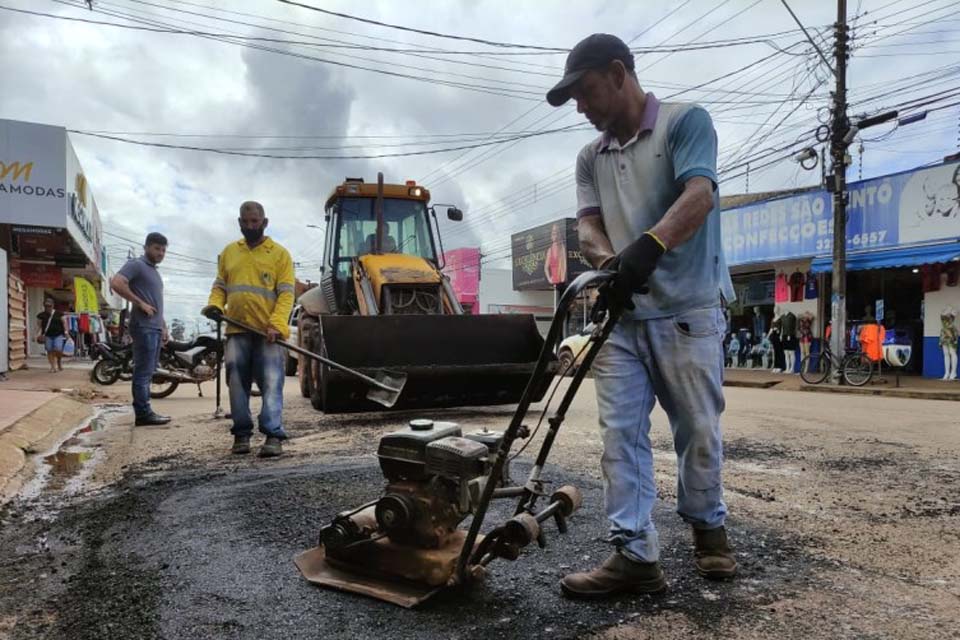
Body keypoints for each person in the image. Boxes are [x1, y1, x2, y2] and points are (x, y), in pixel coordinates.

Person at [546, 33, 736, 599]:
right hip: (624, 316)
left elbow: (699, 194)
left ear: (618, 72)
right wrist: (612, 266)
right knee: (620, 435)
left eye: (584, 92)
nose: (580, 107)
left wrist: (649, 246)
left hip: (688, 310)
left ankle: (709, 529)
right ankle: (634, 553)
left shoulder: (685, 123)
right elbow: (587, 226)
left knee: (697, 430)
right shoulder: (590, 156)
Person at [203, 201, 295, 457]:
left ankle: (273, 435)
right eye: (246, 222)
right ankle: (241, 434)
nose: (251, 226)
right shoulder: (230, 252)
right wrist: (214, 305)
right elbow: (220, 285)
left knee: (271, 382)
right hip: (236, 330)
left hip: (268, 333)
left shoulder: (279, 254)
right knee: (236, 382)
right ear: (239, 223)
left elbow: (286, 295)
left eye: (255, 222)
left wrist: (277, 324)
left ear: (265, 222)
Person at [111, 233, 171, 426]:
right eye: (156, 248)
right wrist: (140, 303)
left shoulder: (154, 271)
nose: (160, 253)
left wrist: (163, 326)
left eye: (163, 250)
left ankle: (145, 411)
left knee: (148, 370)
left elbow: (156, 303)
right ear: (146, 247)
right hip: (143, 326)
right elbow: (117, 283)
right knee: (143, 372)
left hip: (153, 327)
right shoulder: (136, 265)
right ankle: (143, 413)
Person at [36, 298, 67, 373]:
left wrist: (66, 332)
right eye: (46, 306)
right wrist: (36, 335)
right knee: (49, 350)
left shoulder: (59, 313)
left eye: (49, 306)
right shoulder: (41, 315)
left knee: (58, 349)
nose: (48, 307)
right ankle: (53, 367)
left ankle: (59, 361)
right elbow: (39, 326)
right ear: (44, 306)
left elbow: (64, 323)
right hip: (47, 335)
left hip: (58, 335)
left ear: (53, 305)